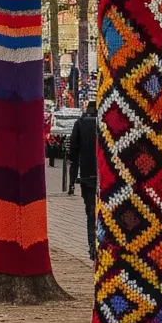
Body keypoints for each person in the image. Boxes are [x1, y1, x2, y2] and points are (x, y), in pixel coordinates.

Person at [66, 100, 98, 255]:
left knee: (90, 212)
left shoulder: (80, 123)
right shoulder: (106, 123)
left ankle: (92, 245)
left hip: (87, 176)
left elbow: (73, 153)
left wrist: (72, 181)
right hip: (105, 177)